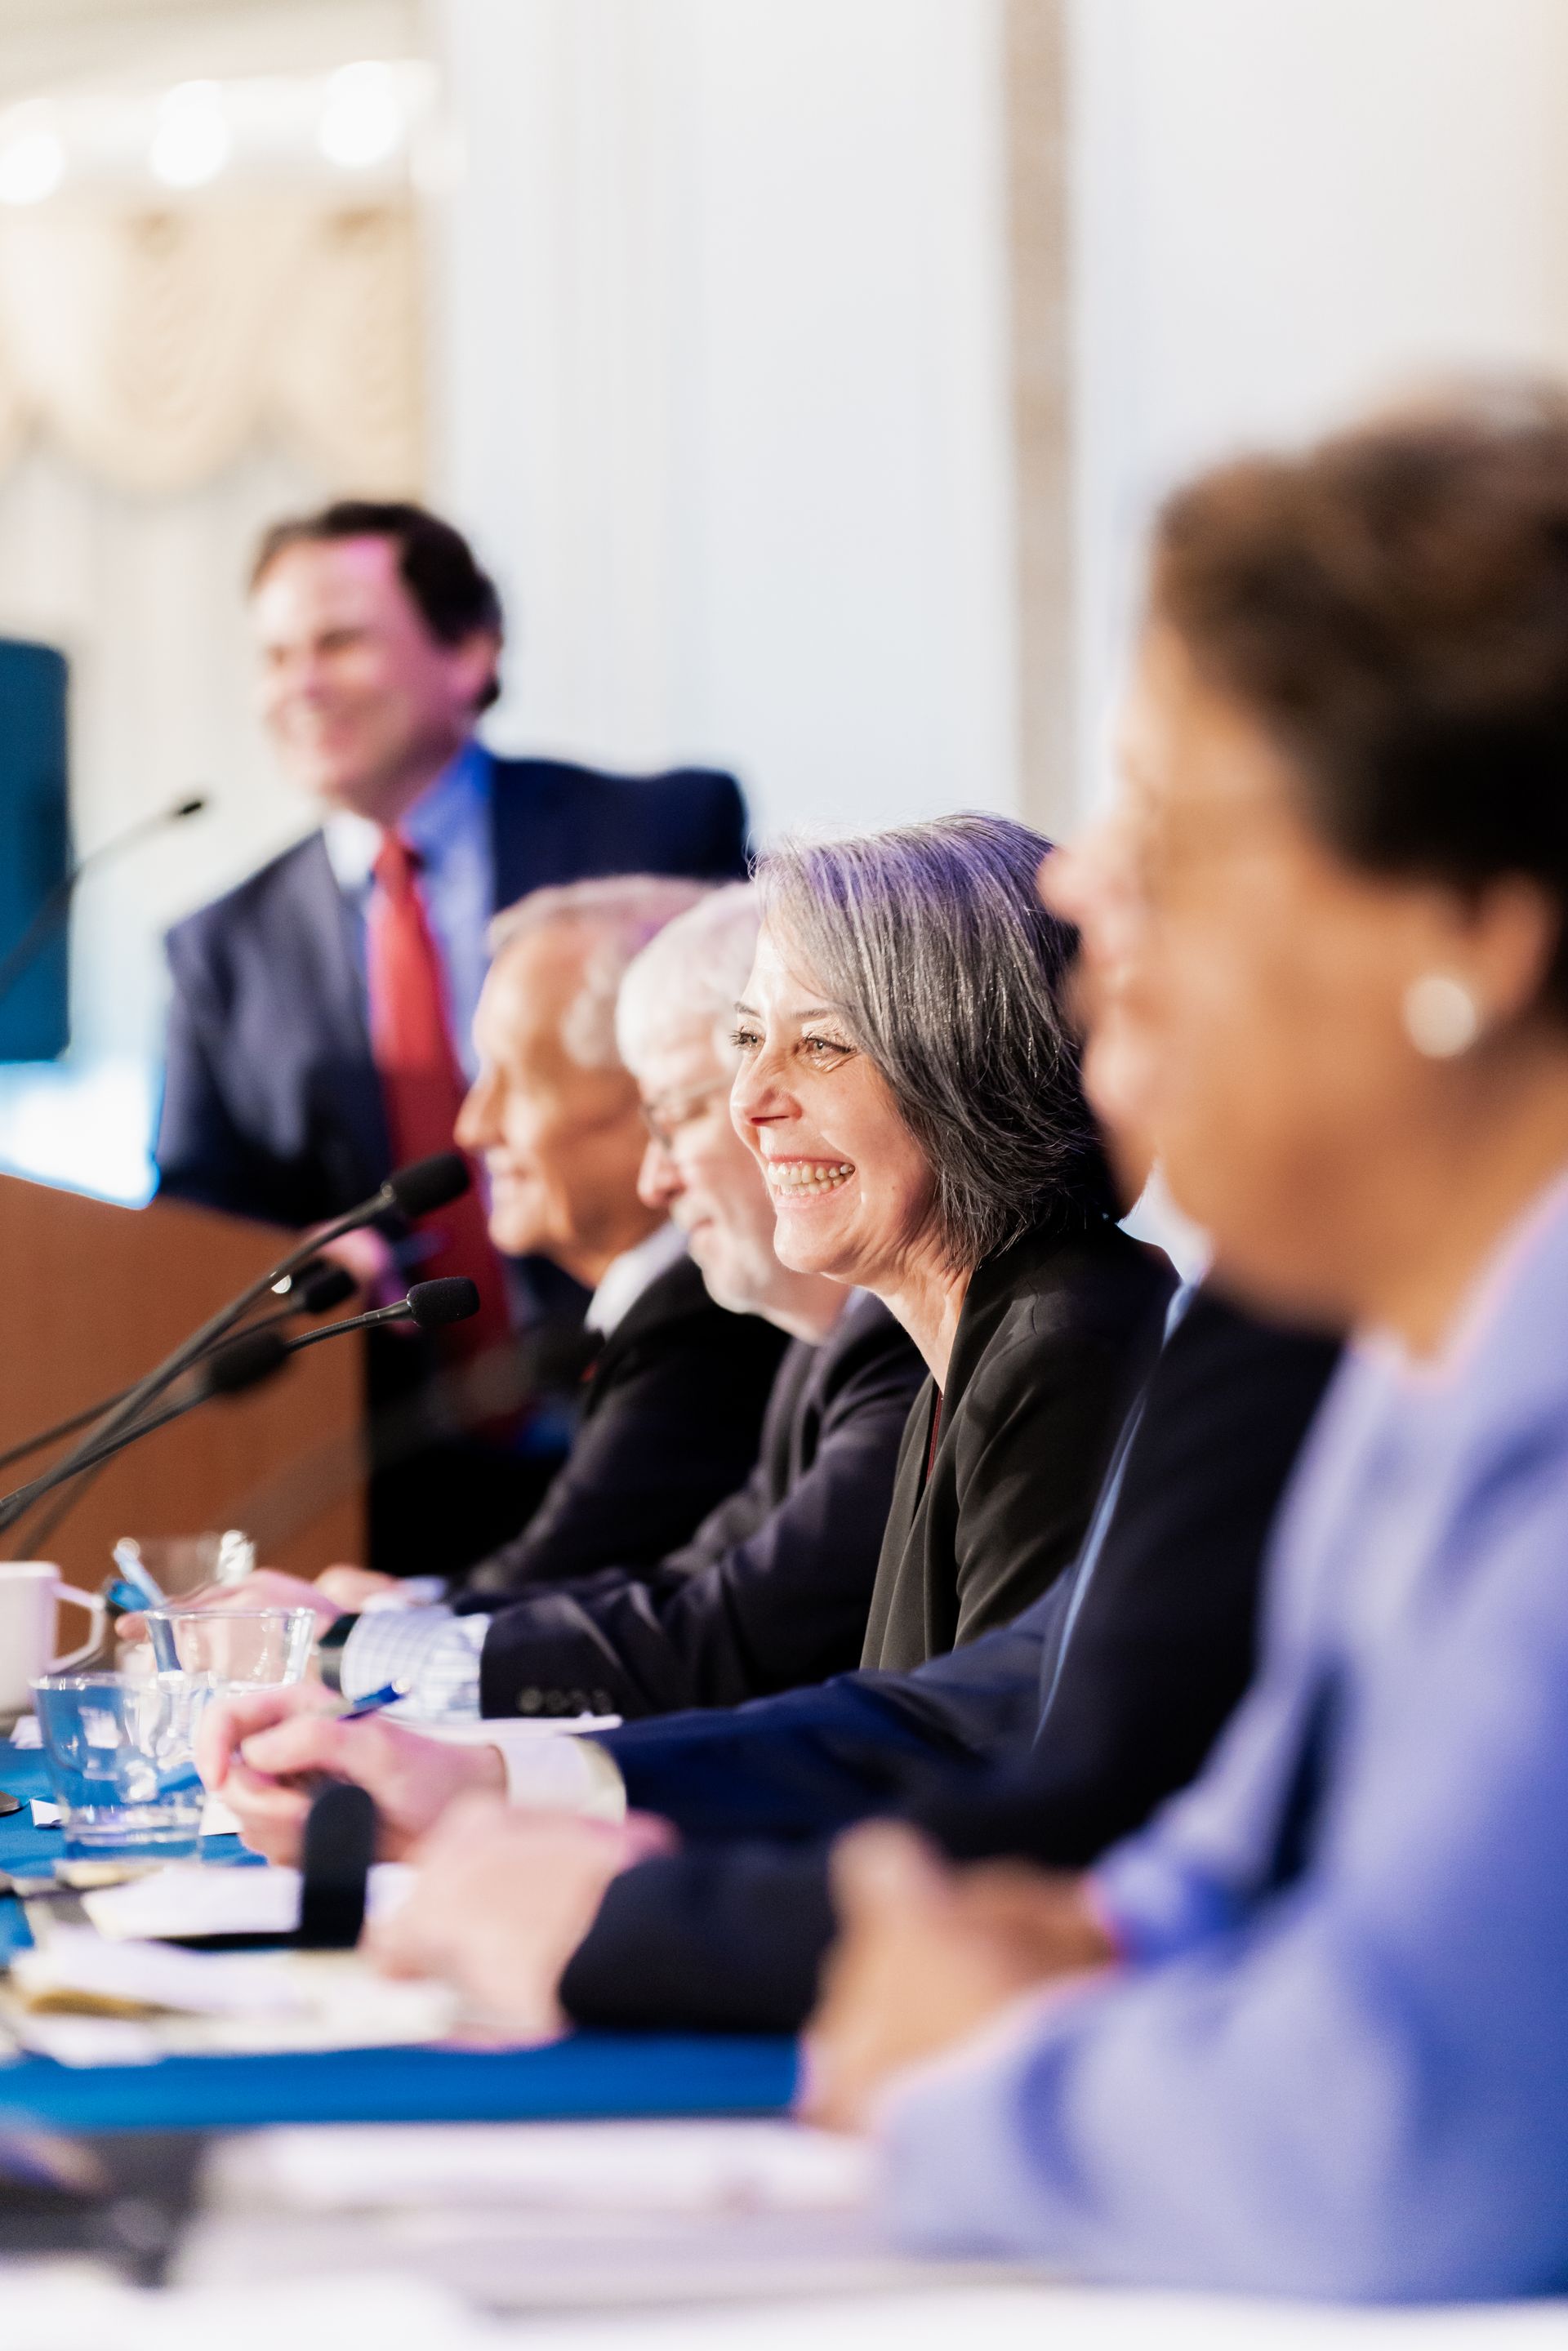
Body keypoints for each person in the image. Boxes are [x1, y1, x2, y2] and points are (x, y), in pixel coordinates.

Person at [786, 389, 1568, 2300]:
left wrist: (970, 2078)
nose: (1078, 889)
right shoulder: (1415, 1353)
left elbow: (1401, 2131)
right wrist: (1068, 1954)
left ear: (1468, 923)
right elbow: (1200, 1883)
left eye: (1169, 830)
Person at [156, 501, 749, 1568]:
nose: (300, 684)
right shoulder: (219, 946)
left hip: (678, 1411)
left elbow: (748, 1088)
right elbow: (202, 1220)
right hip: (387, 1470)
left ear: (470, 650)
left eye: (339, 641)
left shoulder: (657, 831)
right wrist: (301, 1259)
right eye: (276, 655)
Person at [279, 884, 927, 1718]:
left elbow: (726, 1635)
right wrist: (384, 1630)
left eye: (676, 1114)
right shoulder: (821, 1341)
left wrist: (359, 1648)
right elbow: (687, 1583)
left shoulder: (862, 1333)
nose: (471, 1127)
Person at [185, 876, 793, 1686]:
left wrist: (352, 1635)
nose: (472, 1126)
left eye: (514, 1077)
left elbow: (614, 1595)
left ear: (646, 1088)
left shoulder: (719, 1316)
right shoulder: (641, 1316)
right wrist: (394, 1608)